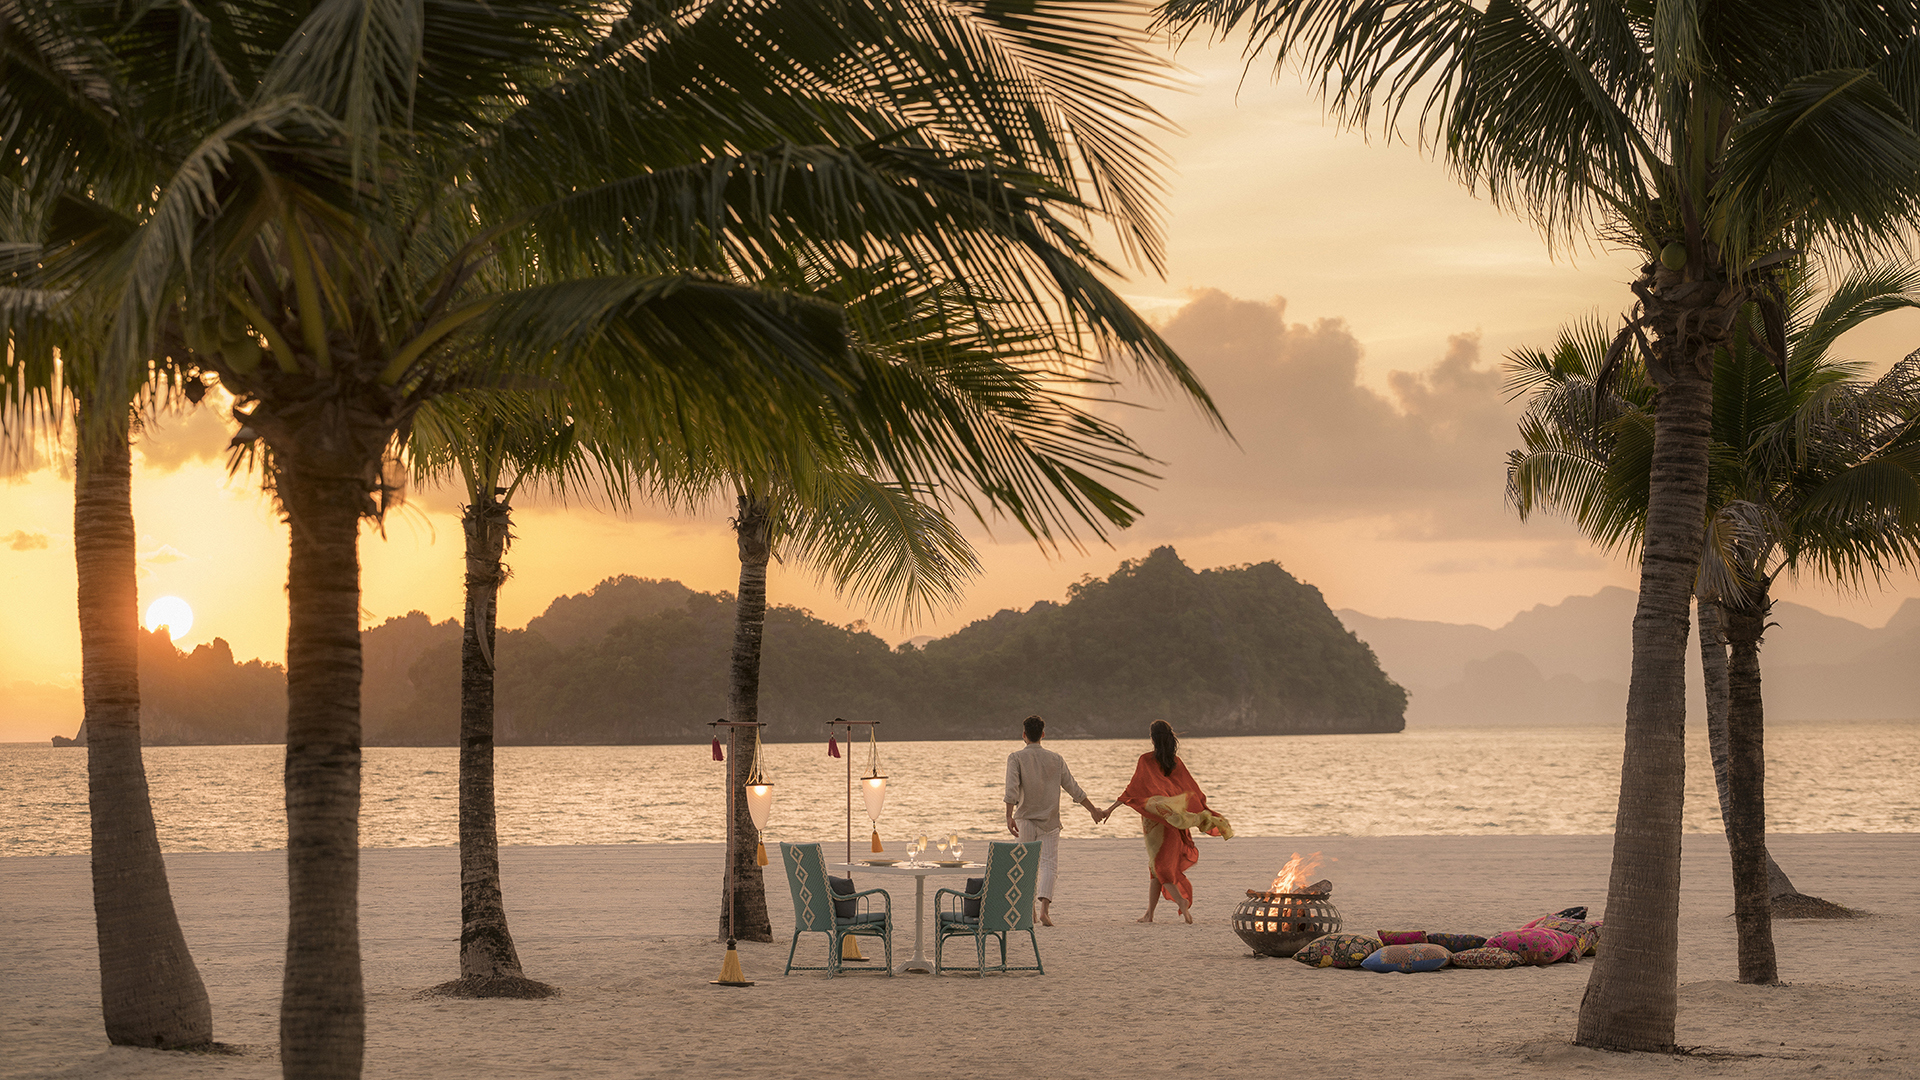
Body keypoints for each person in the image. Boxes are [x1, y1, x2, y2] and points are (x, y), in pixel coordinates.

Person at [1103, 720, 1232, 924]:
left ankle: (1181, 900)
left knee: (1159, 866)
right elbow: (1191, 790)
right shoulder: (1175, 762)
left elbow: (1132, 789)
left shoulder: (1145, 760)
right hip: (1173, 820)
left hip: (1154, 822)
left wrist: (1110, 809)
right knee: (1155, 867)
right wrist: (1203, 810)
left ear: (1152, 738)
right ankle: (1149, 914)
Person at [1003, 715, 1105, 926]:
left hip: (1024, 820)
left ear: (1024, 735)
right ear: (1043, 734)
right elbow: (1073, 789)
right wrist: (1093, 810)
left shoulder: (1016, 758)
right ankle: (1044, 911)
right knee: (1049, 866)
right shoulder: (1056, 759)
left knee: (1024, 866)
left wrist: (1008, 815)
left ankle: (1029, 911)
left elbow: (1011, 789)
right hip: (1050, 822)